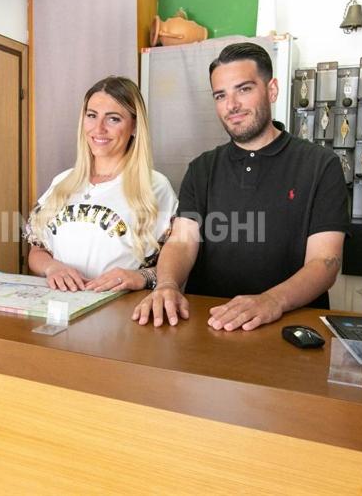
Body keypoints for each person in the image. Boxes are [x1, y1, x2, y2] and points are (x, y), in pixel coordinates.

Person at [132, 42, 350, 330]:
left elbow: (326, 261)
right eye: (220, 95)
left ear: (271, 90)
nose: (231, 105)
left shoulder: (320, 165)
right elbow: (183, 242)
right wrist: (167, 285)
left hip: (290, 327)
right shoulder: (202, 168)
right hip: (208, 324)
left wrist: (272, 301)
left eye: (244, 89)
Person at [25, 76, 177, 292]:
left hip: (121, 310)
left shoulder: (155, 186)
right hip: (61, 308)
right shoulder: (62, 182)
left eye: (113, 119)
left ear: (134, 126)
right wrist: (52, 268)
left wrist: (139, 277)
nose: (98, 128)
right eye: (91, 116)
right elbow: (37, 250)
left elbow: (177, 264)